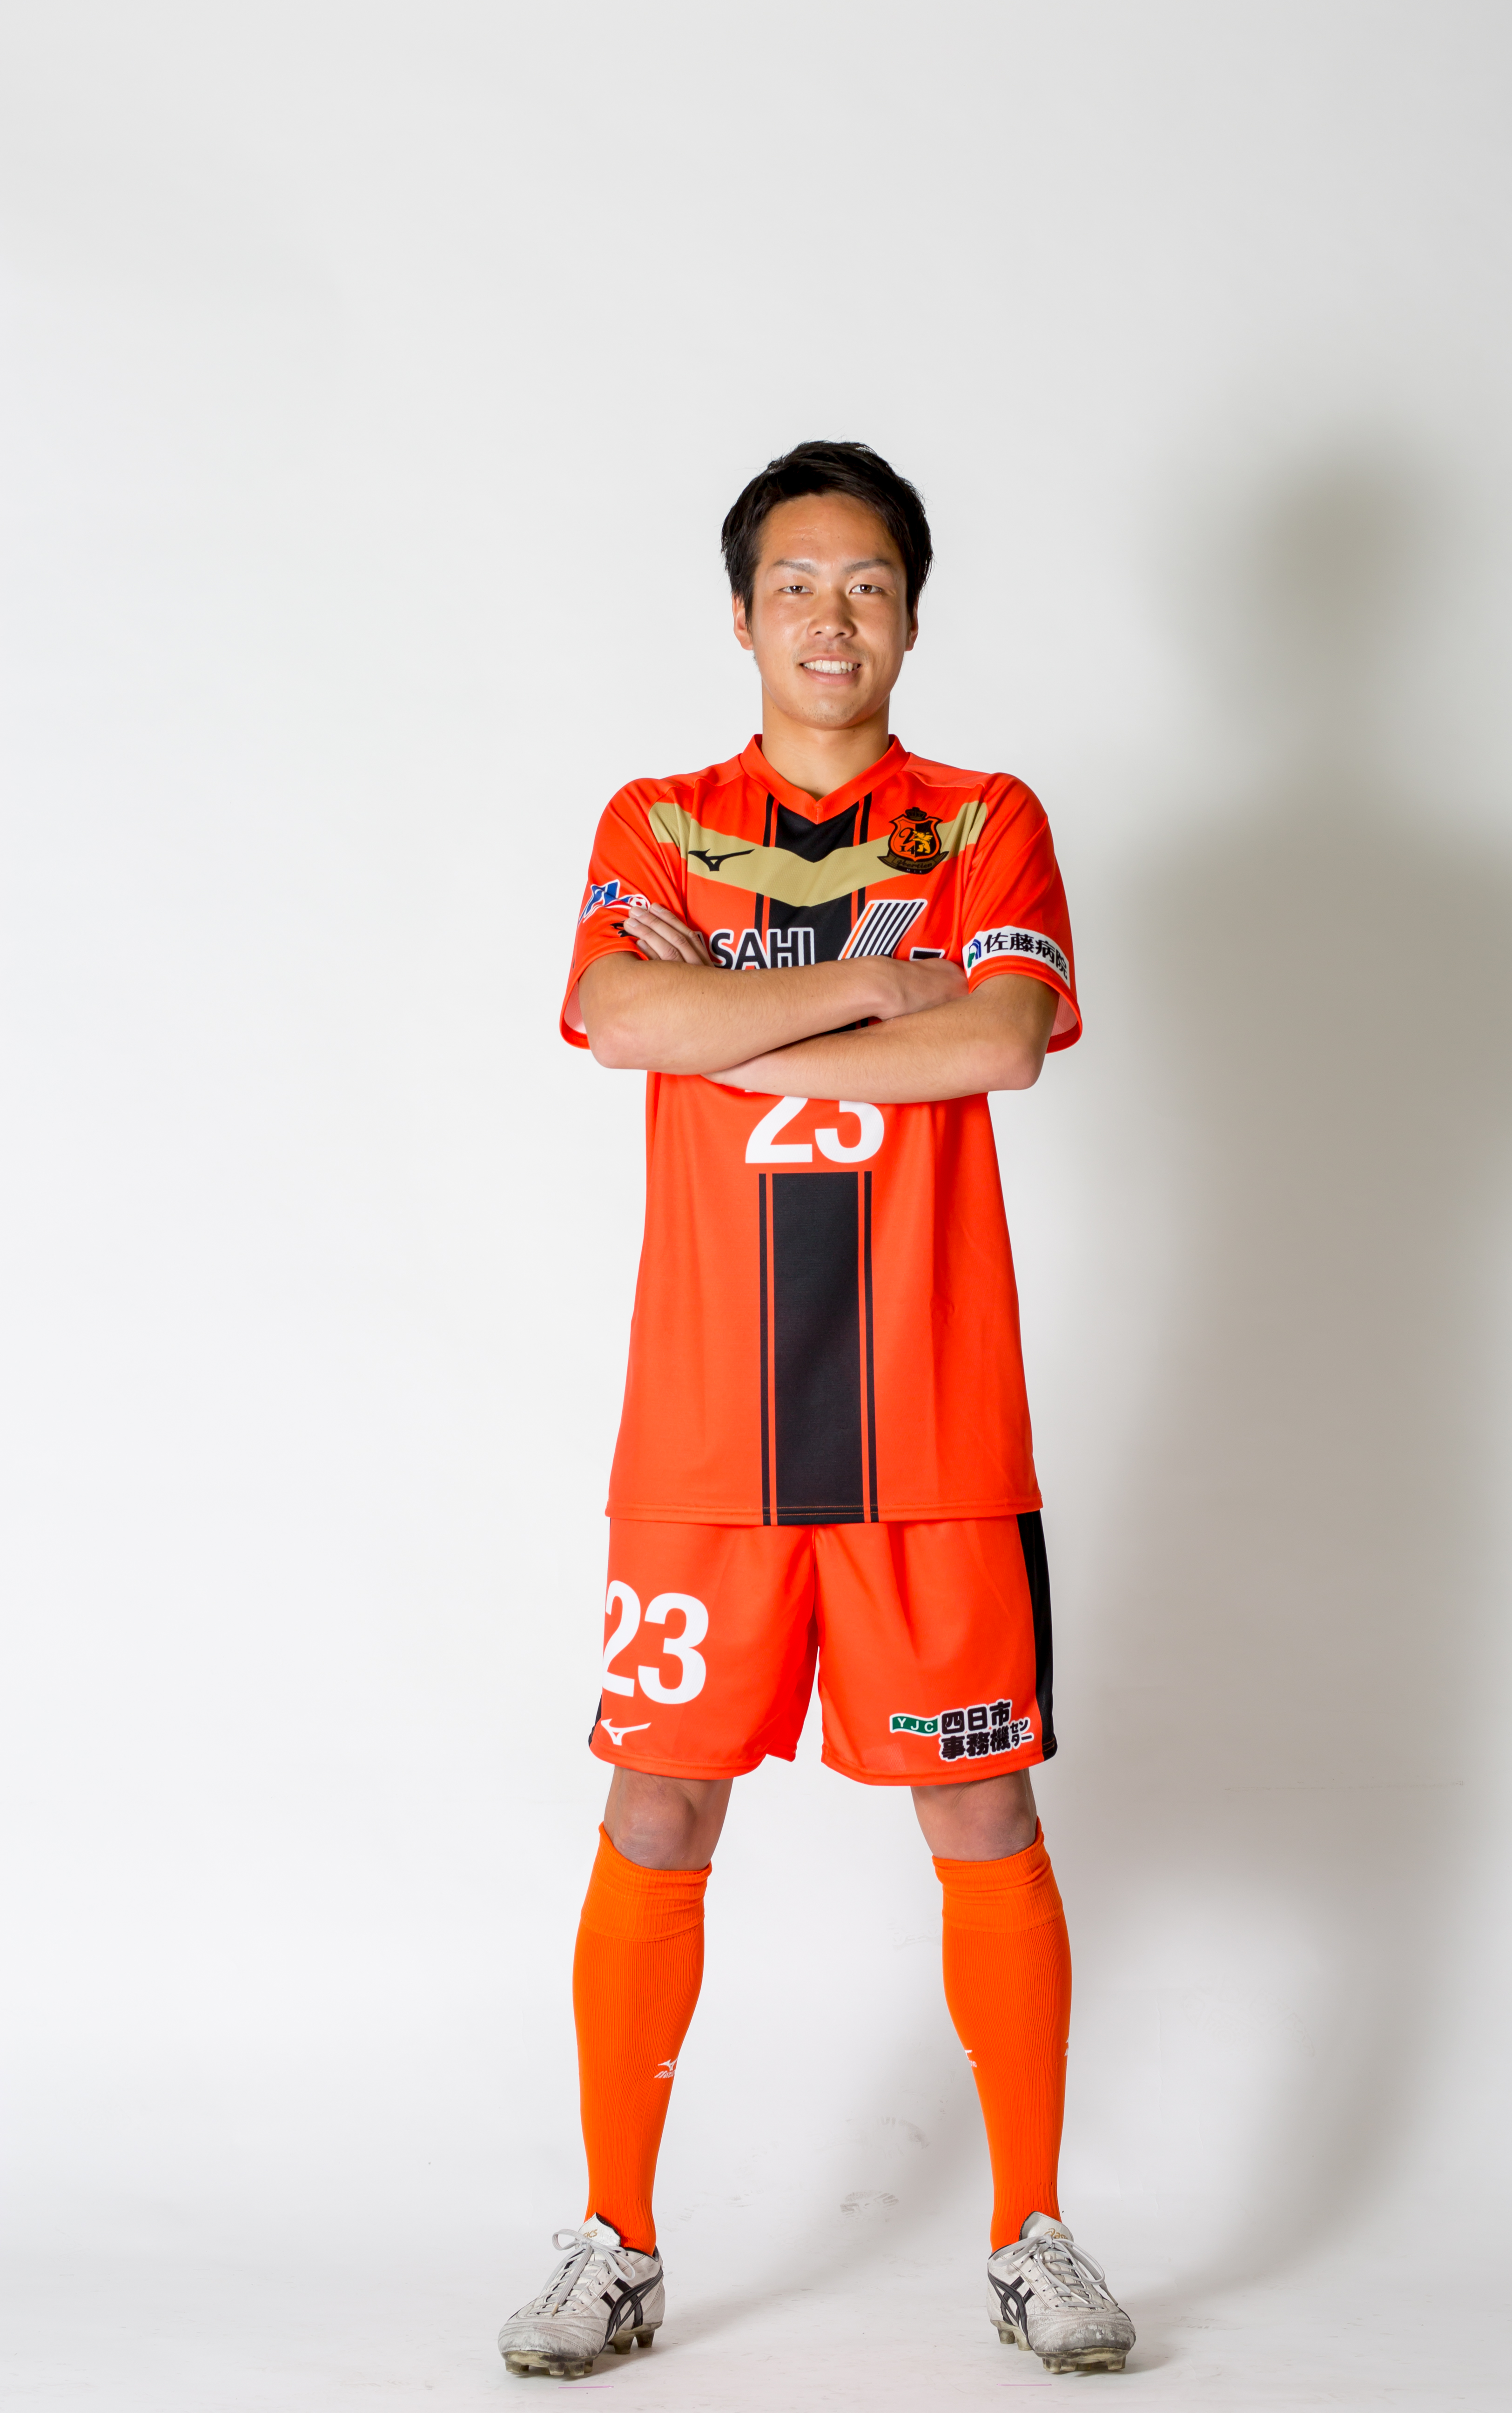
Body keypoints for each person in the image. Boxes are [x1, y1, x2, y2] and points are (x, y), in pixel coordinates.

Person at [497, 442, 1134, 2381]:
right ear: (743, 616)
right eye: (796, 584)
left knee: (983, 1801)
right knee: (657, 1800)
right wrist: (878, 988)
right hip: (710, 1427)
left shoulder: (987, 818)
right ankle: (616, 2239)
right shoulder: (661, 820)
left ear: (911, 617)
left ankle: (1031, 2232)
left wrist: (758, 1011)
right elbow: (623, 1016)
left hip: (930, 1417)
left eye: (867, 584)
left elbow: (1005, 1040)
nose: (831, 617)